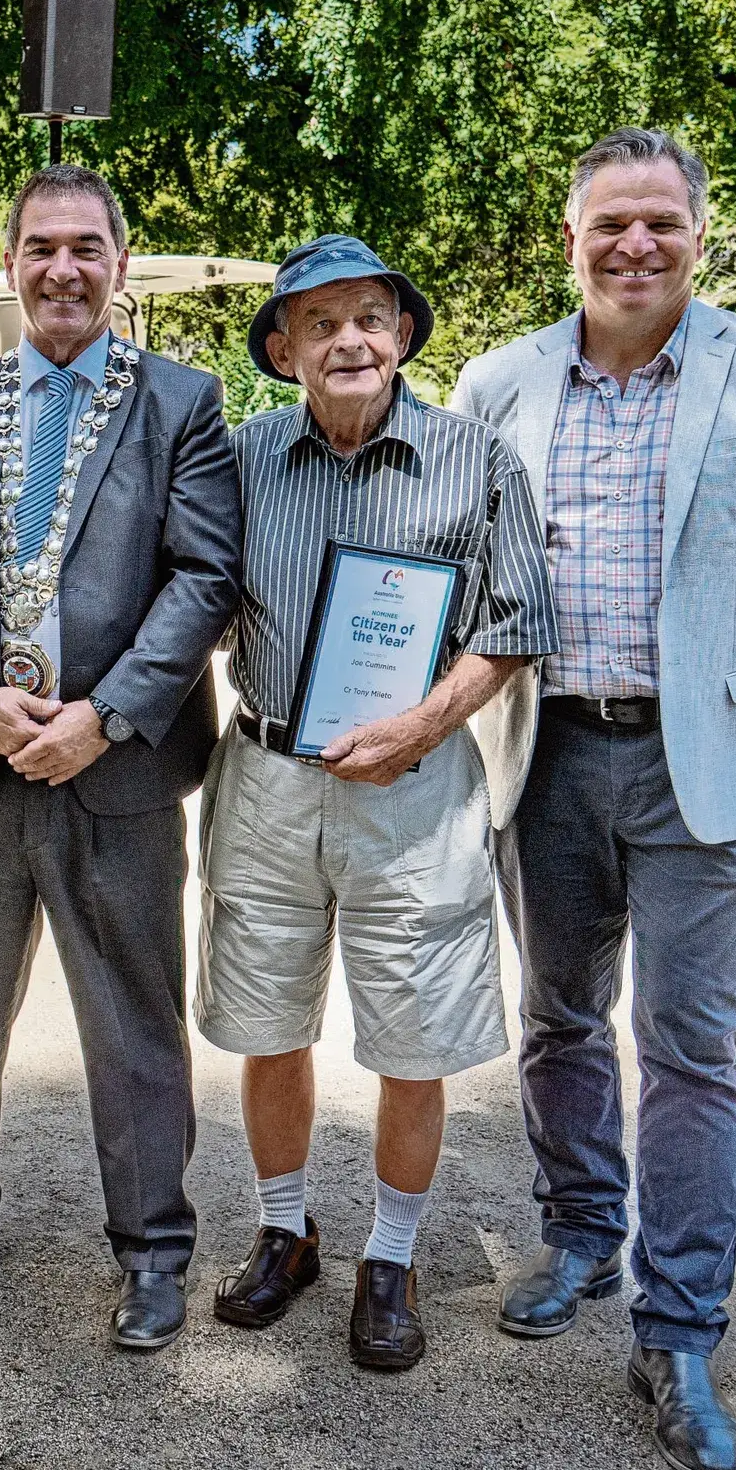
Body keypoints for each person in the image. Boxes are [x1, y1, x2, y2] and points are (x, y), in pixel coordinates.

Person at [453, 128, 736, 1470]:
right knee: (557, 1015)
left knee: (692, 1049)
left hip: (707, 766)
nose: (632, 245)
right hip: (551, 756)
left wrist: (719, 656)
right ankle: (579, 1229)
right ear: (567, 234)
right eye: (607, 223)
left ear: (697, 236)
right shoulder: (499, 381)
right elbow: (466, 555)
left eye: (658, 223)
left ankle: (676, 1327)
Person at [0, 164, 241, 1351]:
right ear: (10, 262)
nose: (63, 270)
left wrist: (106, 712)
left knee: (133, 1019)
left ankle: (152, 1246)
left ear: (121, 264)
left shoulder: (182, 404)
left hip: (118, 767)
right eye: (41, 247)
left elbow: (205, 579)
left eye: (87, 247)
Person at [199, 236, 554, 1371]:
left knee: (415, 1032)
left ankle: (390, 1254)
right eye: (319, 322)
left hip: (413, 785)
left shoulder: (476, 458)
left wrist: (418, 724)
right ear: (281, 347)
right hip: (266, 776)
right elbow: (190, 599)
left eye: (370, 316)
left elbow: (515, 621)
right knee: (268, 1021)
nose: (348, 338)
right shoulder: (239, 457)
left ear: (401, 333)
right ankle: (284, 1224)